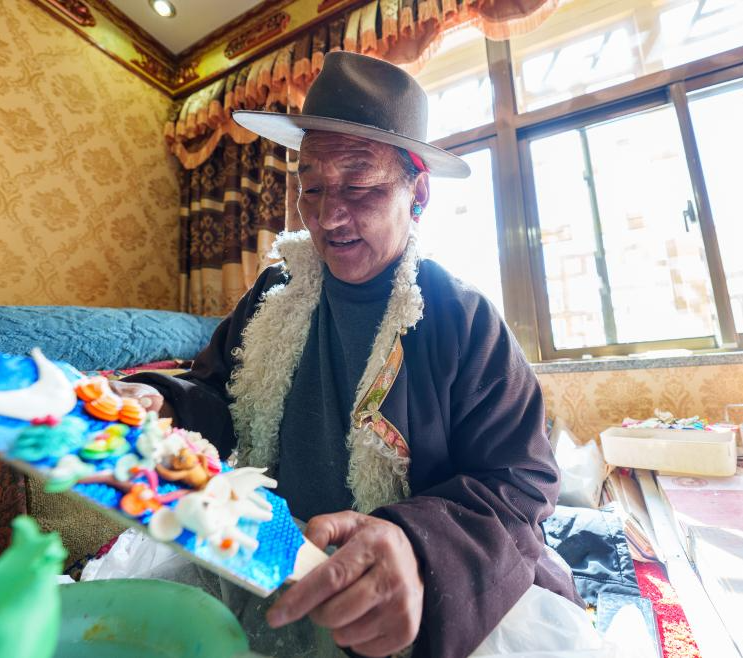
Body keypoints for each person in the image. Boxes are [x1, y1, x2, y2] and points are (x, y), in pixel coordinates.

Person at [112, 51, 578, 658]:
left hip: (411, 585)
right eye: (311, 187)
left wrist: (413, 545)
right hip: (278, 557)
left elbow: (521, 483)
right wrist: (162, 401)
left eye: (359, 185)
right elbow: (215, 393)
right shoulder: (275, 292)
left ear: (418, 192)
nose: (329, 216)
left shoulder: (464, 319)